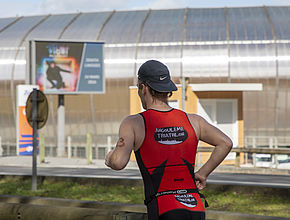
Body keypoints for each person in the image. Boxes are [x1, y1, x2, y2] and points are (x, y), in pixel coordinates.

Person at [105, 60, 232, 220]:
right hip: (195, 206)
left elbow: (118, 162)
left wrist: (110, 158)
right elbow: (226, 143)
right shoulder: (193, 121)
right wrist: (202, 173)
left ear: (143, 88)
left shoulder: (134, 123)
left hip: (163, 208)